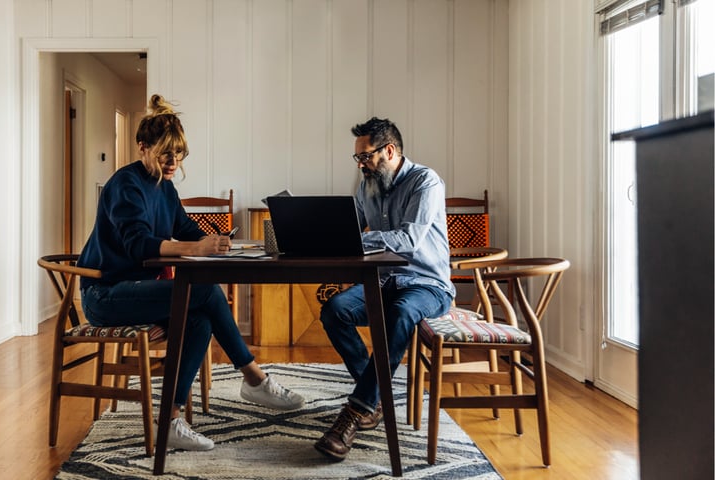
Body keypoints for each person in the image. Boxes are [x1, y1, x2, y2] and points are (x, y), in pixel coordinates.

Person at [77, 94, 304, 452]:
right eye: (166, 153)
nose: (173, 161)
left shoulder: (165, 188)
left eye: (179, 153)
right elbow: (138, 244)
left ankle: (170, 419)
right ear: (143, 148)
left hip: (139, 291)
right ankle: (253, 377)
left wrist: (219, 241)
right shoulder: (125, 185)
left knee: (199, 321)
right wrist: (196, 249)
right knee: (205, 292)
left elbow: (184, 227)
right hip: (106, 295)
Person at [314, 117, 455, 461]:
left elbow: (408, 240)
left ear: (388, 150)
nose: (361, 164)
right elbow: (352, 228)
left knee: (400, 312)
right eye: (358, 158)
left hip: (427, 285)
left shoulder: (426, 182)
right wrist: (326, 236)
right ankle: (372, 400)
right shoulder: (367, 187)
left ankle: (353, 413)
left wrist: (358, 239)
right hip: (382, 281)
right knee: (334, 311)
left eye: (365, 157)